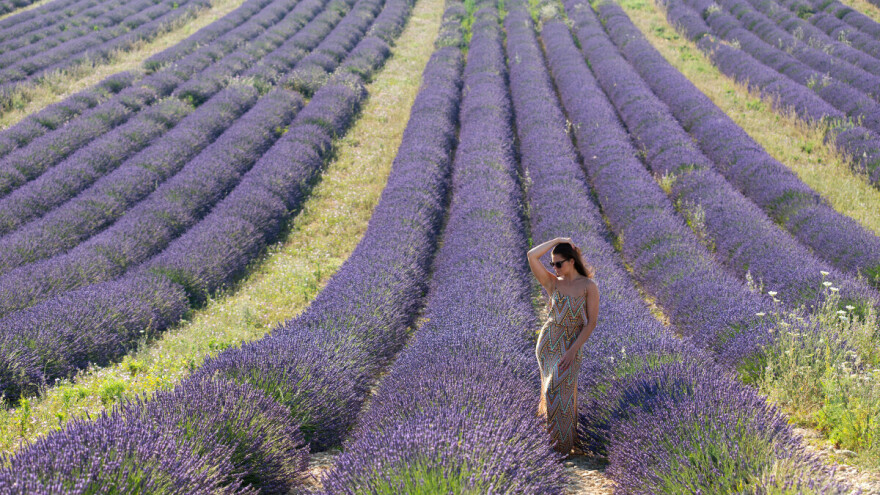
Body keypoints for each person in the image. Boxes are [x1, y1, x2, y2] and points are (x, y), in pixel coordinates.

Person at [527, 237, 599, 456]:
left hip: (572, 343)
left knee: (564, 391)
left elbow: (591, 323)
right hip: (549, 342)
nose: (555, 268)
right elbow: (531, 255)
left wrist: (573, 350)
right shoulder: (553, 283)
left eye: (559, 263)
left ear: (571, 261)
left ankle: (565, 445)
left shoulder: (588, 286)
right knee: (550, 390)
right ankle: (551, 444)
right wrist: (558, 240)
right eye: (552, 264)